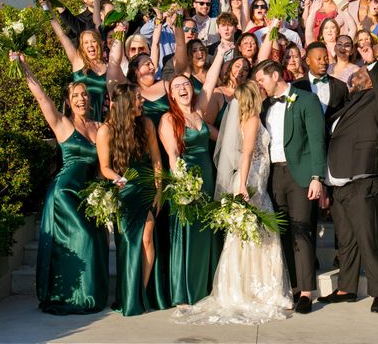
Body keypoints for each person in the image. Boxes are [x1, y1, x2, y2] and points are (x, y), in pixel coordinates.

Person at [174, 81, 293, 325]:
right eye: (259, 90)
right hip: (251, 182)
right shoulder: (251, 120)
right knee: (254, 234)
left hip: (255, 179)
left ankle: (252, 285)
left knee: (252, 234)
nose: (263, 92)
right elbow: (247, 153)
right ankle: (253, 288)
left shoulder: (251, 118)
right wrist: (242, 187)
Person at [12, 53, 108, 315]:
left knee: (94, 238)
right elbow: (41, 97)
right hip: (64, 194)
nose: (80, 99)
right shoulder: (62, 124)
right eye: (75, 95)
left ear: (90, 99)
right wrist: (23, 65)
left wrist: (105, 193)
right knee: (83, 239)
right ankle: (67, 295)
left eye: (84, 94)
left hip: (90, 196)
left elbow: (102, 167)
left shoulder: (100, 127)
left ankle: (89, 294)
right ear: (68, 101)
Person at [318, 44, 378, 314]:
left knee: (369, 238)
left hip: (367, 178)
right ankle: (347, 288)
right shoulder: (346, 105)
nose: (354, 78)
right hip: (340, 183)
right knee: (347, 240)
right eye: (352, 77)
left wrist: (374, 65)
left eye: (360, 75)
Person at [159, 43, 233, 306]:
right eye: (177, 87)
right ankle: (185, 290)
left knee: (206, 233)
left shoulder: (199, 112)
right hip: (187, 183)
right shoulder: (169, 119)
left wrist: (222, 53)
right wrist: (182, 186)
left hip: (208, 179)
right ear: (171, 94)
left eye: (186, 85)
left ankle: (206, 286)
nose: (183, 89)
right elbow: (172, 156)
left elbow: (211, 81)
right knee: (188, 233)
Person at [254, 59, 327, 314]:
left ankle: (307, 291)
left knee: (302, 231)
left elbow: (317, 140)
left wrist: (317, 177)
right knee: (283, 231)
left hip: (301, 174)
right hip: (273, 175)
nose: (260, 85)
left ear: (275, 76)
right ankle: (293, 287)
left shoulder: (306, 100)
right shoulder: (264, 106)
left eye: (262, 79)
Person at [97, 83, 163, 316]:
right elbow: (104, 167)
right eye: (137, 98)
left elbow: (156, 160)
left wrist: (159, 190)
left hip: (145, 188)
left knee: (147, 238)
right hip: (124, 191)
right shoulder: (106, 131)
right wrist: (117, 179)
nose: (142, 101)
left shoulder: (146, 124)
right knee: (127, 246)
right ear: (126, 103)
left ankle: (140, 294)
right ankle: (127, 294)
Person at [48, 15, 107, 122]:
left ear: (99, 43)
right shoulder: (77, 61)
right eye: (86, 42)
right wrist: (46, 7)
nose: (90, 45)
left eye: (93, 41)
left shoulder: (108, 67)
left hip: (100, 121)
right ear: (82, 46)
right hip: (78, 120)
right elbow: (61, 35)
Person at [293, 42, 348, 134]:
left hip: (334, 142)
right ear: (308, 61)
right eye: (318, 59)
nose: (323, 62)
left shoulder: (341, 87)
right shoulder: (297, 87)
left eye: (326, 58)